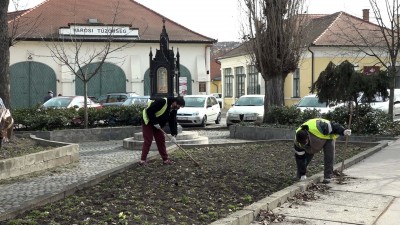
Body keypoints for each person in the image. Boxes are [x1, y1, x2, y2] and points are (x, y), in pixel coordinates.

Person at [294, 118, 351, 183]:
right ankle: (300, 174)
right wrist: (302, 174)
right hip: (313, 143)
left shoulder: (321, 126)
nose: (303, 144)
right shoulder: (297, 143)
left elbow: (333, 125)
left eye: (304, 142)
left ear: (308, 136)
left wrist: (343, 131)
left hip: (327, 138)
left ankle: (328, 176)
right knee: (305, 157)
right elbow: (299, 159)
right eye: (302, 144)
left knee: (329, 156)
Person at [140, 96, 185, 165]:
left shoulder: (173, 109)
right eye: (178, 106)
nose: (177, 108)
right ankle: (142, 160)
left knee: (161, 140)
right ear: (174, 102)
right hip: (148, 121)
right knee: (148, 140)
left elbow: (173, 122)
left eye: (179, 107)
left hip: (158, 125)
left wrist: (174, 135)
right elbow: (149, 111)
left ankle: (165, 159)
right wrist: (155, 122)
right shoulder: (162, 101)